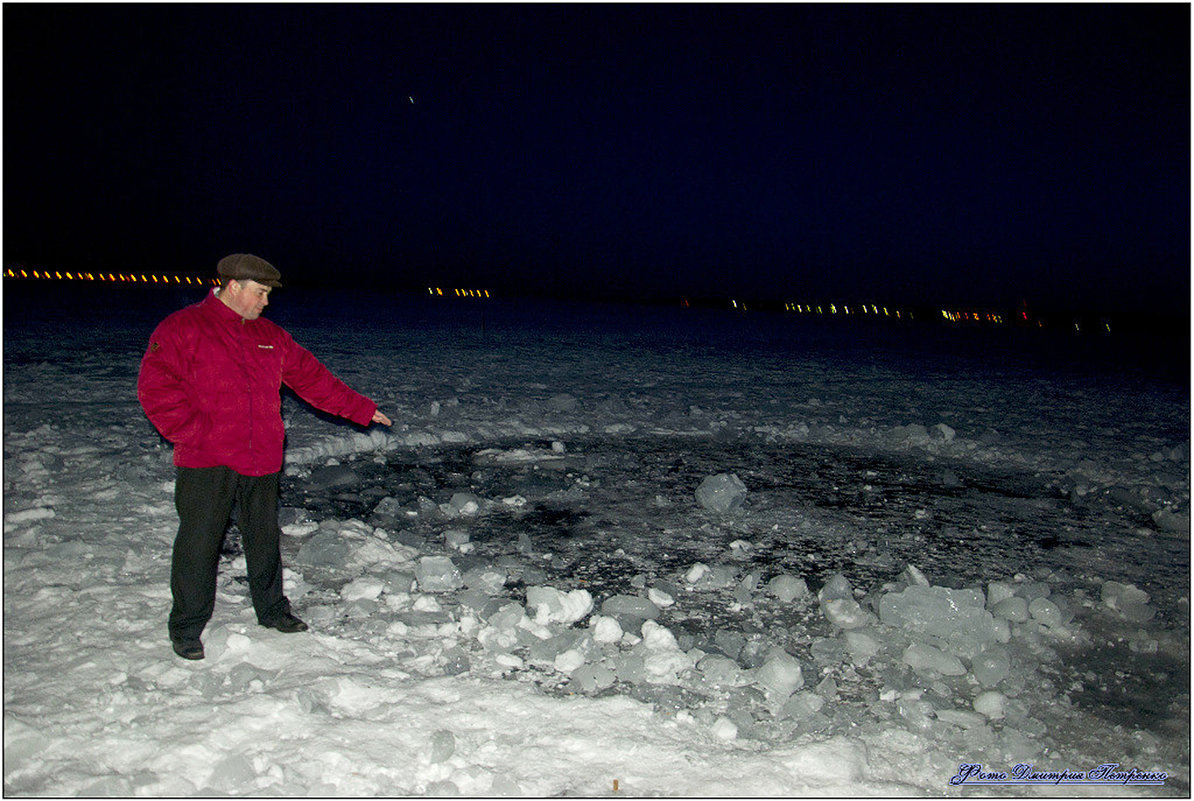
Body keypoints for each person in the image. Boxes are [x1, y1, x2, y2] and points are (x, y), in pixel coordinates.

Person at [137, 253, 392, 660]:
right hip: (207, 460)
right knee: (199, 545)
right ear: (233, 286)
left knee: (263, 539)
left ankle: (272, 611)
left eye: (268, 294)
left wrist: (359, 408)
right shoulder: (183, 329)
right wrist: (197, 434)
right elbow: (155, 390)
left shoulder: (270, 335)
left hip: (262, 458)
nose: (266, 302)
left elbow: (312, 378)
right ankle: (186, 627)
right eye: (260, 293)